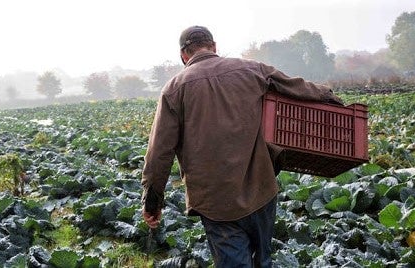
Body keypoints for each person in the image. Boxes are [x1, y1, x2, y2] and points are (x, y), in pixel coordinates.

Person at [141, 25, 343, 267]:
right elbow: (296, 87)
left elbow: (159, 153)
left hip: (215, 201)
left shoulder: (174, 89)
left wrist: (152, 202)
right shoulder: (253, 69)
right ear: (214, 47)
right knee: (262, 260)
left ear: (184, 55)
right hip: (260, 188)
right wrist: (329, 97)